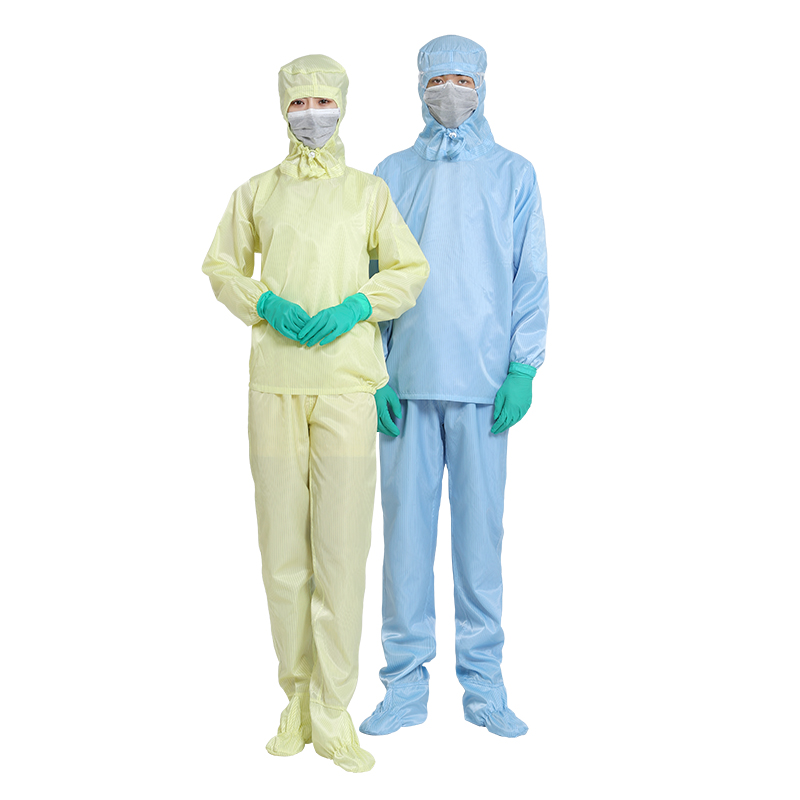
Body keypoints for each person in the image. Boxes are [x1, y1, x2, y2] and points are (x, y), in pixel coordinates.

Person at [202, 54, 428, 773]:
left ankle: (334, 709)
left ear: (343, 104)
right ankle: (296, 699)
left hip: (347, 386)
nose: (312, 113)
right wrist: (262, 302)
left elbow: (410, 269)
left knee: (340, 552)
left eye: (323, 100)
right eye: (299, 102)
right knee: (283, 553)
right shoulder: (257, 192)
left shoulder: (369, 193)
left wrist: (360, 304)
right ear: (282, 108)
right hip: (275, 383)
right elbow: (221, 266)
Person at [361, 35, 549, 739]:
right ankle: (404, 687)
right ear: (419, 87)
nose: (450, 90)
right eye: (438, 78)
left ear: (482, 85)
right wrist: (373, 369)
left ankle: (484, 686)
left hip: (484, 384)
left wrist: (523, 366)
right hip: (407, 381)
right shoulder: (390, 173)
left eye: (461, 79)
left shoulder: (513, 174)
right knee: (405, 547)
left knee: (479, 547)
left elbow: (530, 273)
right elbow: (368, 278)